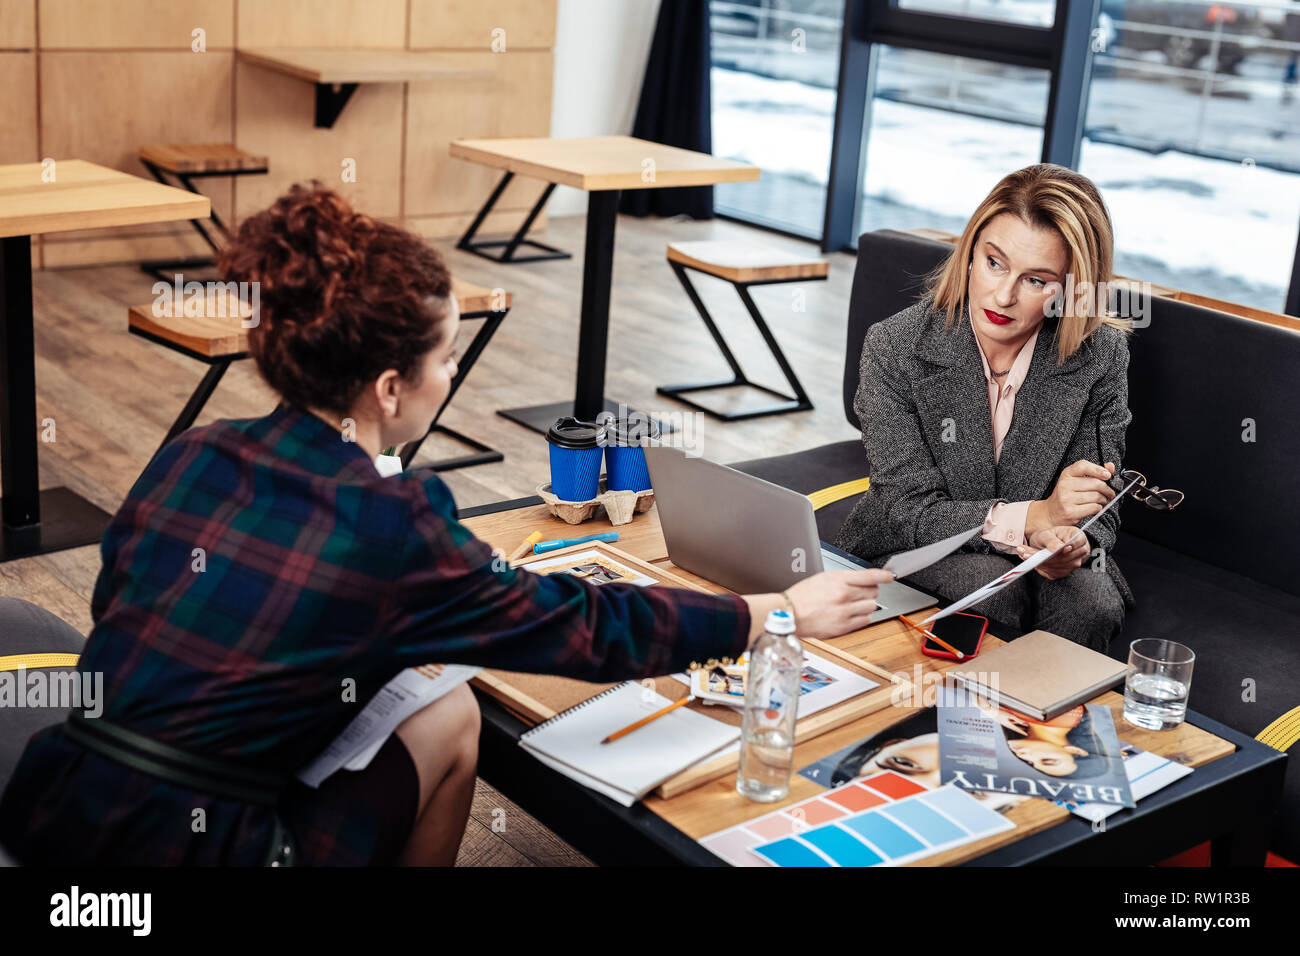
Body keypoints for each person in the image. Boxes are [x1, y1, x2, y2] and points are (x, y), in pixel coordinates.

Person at [0, 184, 892, 867]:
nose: (453, 371)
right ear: (390, 388)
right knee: (446, 717)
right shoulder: (393, 522)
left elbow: (131, 605)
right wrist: (777, 612)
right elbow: (584, 629)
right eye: (447, 356)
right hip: (211, 848)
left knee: (430, 701)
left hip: (60, 803)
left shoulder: (197, 449)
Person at [835, 164, 1135, 652]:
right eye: (995, 263)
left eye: (1036, 280)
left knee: (1091, 603)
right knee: (990, 587)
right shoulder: (895, 345)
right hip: (917, 540)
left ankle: (1038, 721)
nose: (1003, 295)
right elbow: (907, 510)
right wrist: (1033, 518)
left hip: (1040, 549)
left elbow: (1104, 493)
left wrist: (1074, 539)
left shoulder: (1101, 357)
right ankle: (944, 713)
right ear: (971, 252)